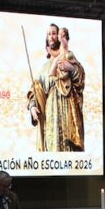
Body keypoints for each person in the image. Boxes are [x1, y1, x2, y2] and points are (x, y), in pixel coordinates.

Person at [27, 23, 85, 152]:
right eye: (49, 34)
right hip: (51, 113)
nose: (51, 36)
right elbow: (36, 89)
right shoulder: (45, 67)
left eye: (54, 33)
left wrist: (71, 68)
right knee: (53, 147)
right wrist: (32, 106)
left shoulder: (69, 57)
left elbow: (80, 78)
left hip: (68, 110)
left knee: (69, 146)